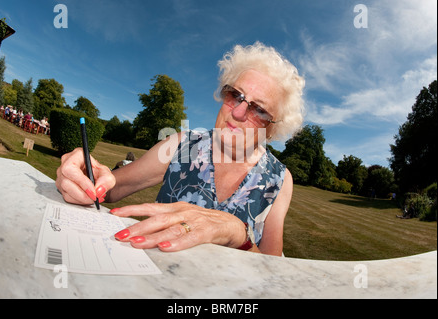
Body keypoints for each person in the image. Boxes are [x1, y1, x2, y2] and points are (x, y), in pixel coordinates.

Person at [56, 42, 305, 256]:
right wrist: (88, 177)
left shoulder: (279, 180)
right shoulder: (182, 145)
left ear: (272, 129)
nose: (238, 112)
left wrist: (240, 235)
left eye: (259, 110)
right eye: (235, 95)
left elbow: (272, 271)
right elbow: (112, 187)